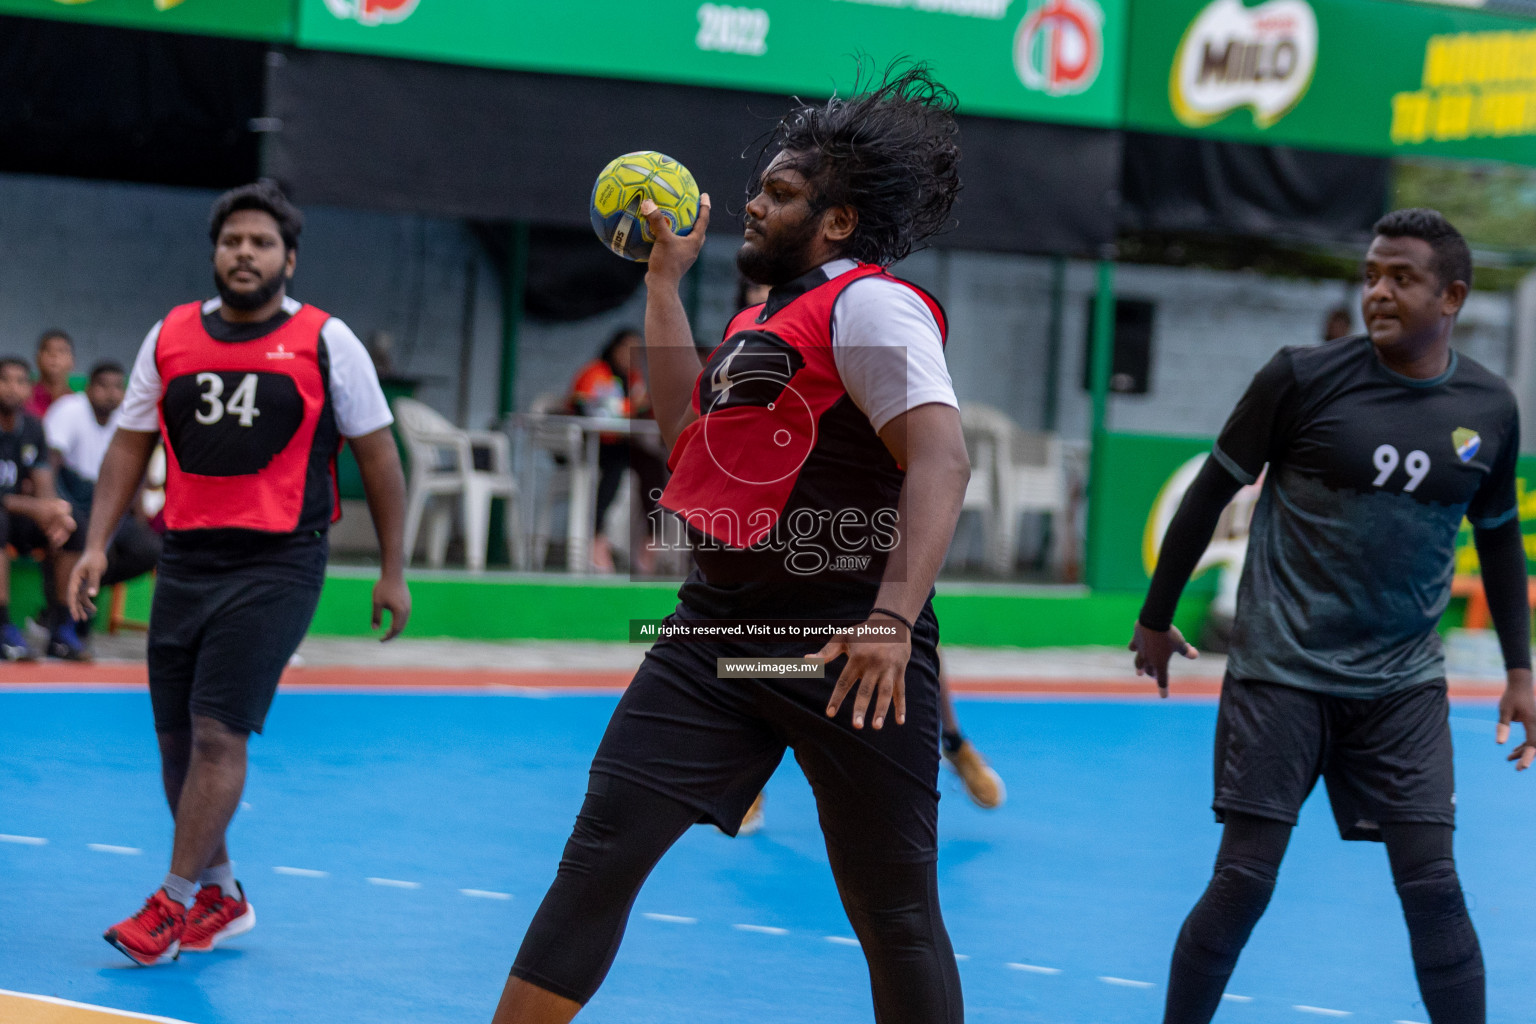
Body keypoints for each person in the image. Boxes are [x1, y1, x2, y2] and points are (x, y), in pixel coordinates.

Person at [492, 63, 969, 1024]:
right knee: (601, 853)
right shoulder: (762, 317)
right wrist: (662, 288)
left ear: (837, 222)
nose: (751, 203)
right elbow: (685, 449)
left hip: (844, 644)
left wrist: (889, 617)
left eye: (781, 193)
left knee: (894, 914)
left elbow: (943, 461)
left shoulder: (872, 306)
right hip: (717, 637)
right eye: (759, 186)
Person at [1130, 209, 1535, 1024]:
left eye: (1401, 278)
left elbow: (1498, 542)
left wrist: (1522, 670)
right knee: (1243, 879)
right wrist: (1155, 616)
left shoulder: (1490, 407)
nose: (1377, 292)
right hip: (1282, 672)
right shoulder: (1300, 377)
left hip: (1403, 686)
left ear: (1452, 294)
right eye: (1370, 276)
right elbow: (1211, 492)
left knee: (1434, 887)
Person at [67, 181, 412, 966]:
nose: (244, 254)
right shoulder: (172, 335)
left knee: (220, 730)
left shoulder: (330, 341)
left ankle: (173, 904)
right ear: (215, 255)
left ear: (289, 258)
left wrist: (393, 570)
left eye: (260, 243)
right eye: (232, 242)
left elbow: (380, 457)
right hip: (186, 555)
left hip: (279, 560)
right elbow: (129, 441)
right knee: (174, 742)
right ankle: (219, 891)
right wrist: (96, 543)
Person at [44, 360, 161, 660]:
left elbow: (133, 476)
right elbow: (49, 467)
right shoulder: (69, 409)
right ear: (89, 388)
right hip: (68, 499)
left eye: (117, 387)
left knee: (148, 548)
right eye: (104, 386)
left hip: (107, 504)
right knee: (81, 537)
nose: (111, 394)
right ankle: (62, 626)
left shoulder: (127, 416)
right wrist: (56, 509)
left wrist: (138, 516)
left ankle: (80, 596)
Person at [565, 328, 669, 573]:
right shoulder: (594, 373)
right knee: (616, 465)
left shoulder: (633, 378)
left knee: (653, 464)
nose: (631, 355)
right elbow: (594, 411)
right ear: (614, 348)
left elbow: (642, 410)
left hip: (621, 444)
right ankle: (596, 537)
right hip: (590, 446)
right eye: (626, 348)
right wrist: (633, 406)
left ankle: (651, 540)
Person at [0, 356, 76, 660]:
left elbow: (43, 484)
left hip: (18, 516)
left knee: (74, 528)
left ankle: (61, 629)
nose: (13, 388)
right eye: (5, 380)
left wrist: (55, 514)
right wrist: (36, 508)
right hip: (6, 515)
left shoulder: (33, 427)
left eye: (21, 381)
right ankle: (3, 625)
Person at [25, 329, 75, 419]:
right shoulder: (25, 397)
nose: (54, 355)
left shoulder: (77, 403)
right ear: (37, 358)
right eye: (47, 350)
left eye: (61, 351)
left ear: (72, 361)